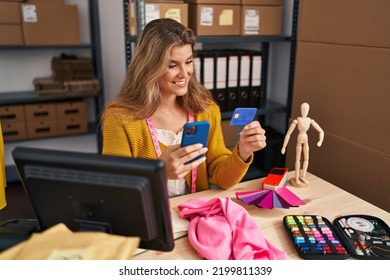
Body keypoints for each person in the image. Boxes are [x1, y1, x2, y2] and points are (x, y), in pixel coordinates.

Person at [101, 18, 266, 197]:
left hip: (195, 217)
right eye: (172, 65)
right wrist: (158, 172)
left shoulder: (206, 110)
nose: (184, 73)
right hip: (147, 217)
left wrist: (243, 151)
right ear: (149, 67)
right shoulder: (119, 117)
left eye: (188, 61)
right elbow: (115, 186)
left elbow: (222, 178)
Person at [281, 102, 324, 187]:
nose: (305, 111)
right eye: (303, 109)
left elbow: (321, 131)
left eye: (306, 109)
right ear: (301, 110)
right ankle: (297, 177)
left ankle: (302, 176)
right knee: (298, 159)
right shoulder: (297, 121)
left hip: (305, 140)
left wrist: (320, 141)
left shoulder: (310, 120)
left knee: (306, 159)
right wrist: (284, 146)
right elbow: (288, 134)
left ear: (308, 110)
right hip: (299, 139)